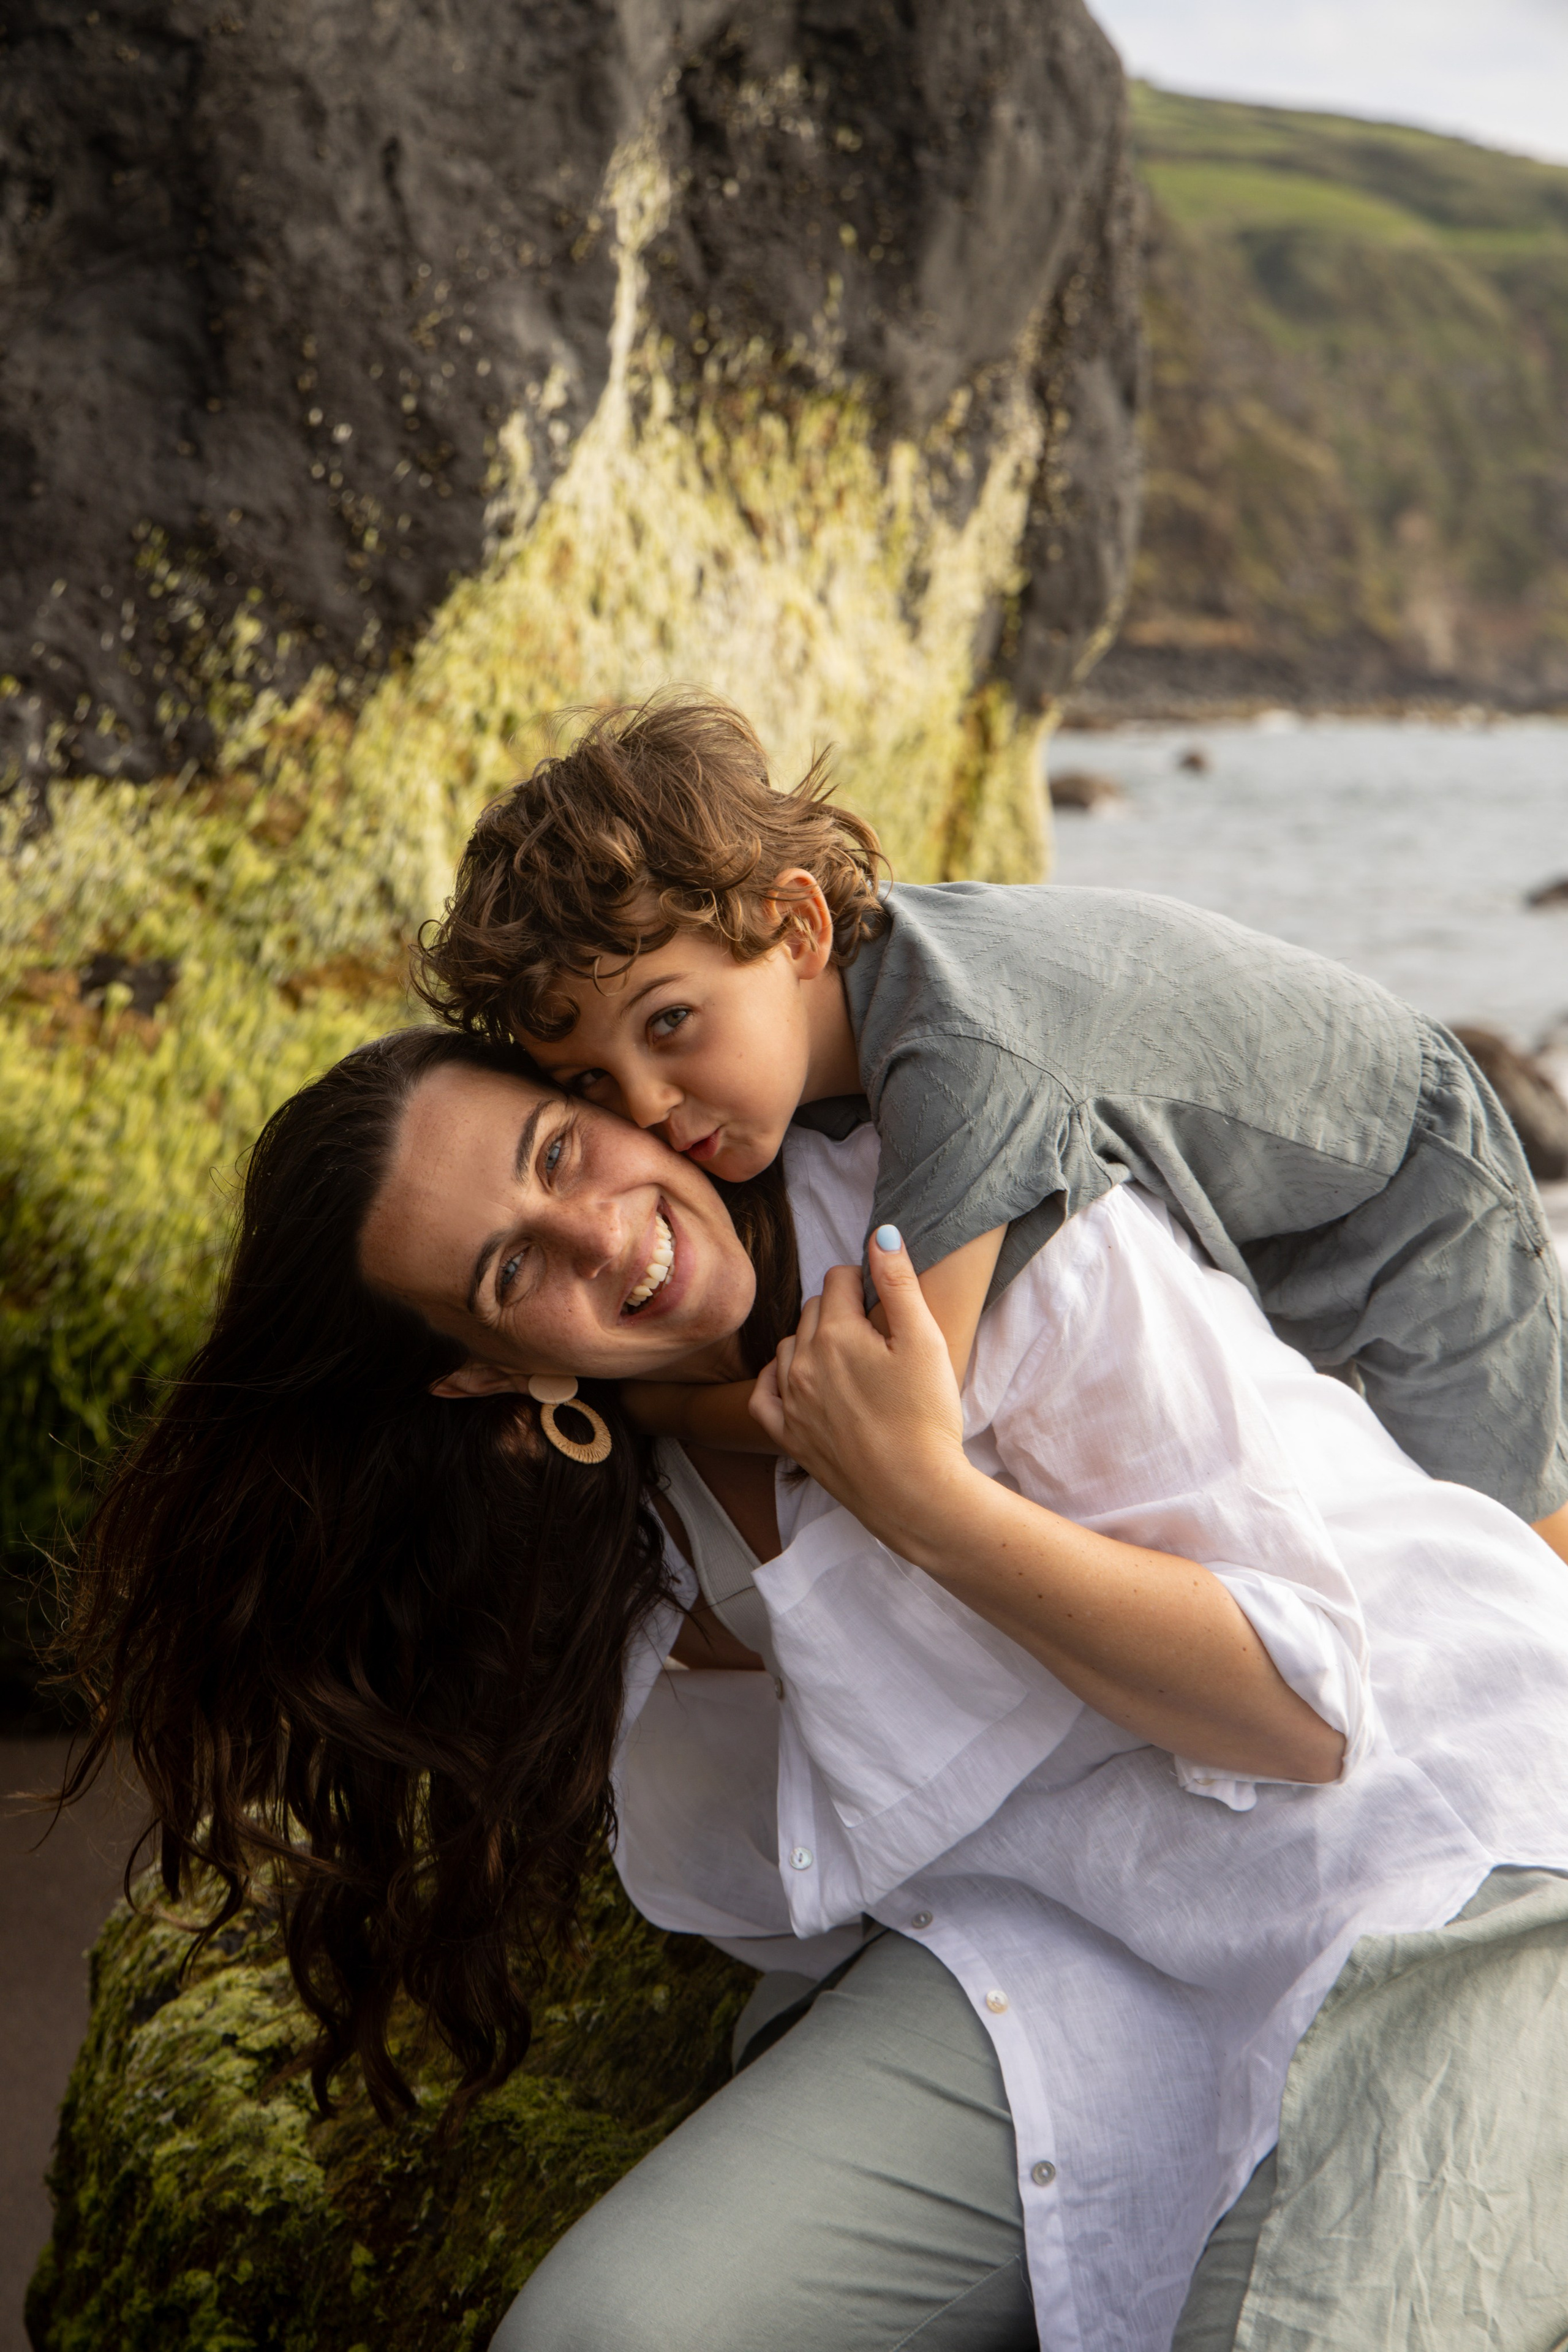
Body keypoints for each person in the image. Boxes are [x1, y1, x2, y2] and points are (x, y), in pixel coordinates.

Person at [66, 1025, 1568, 2351]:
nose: (605, 1236)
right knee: (604, 2335)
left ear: (616, 1099)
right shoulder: (613, 1504)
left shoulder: (965, 1227)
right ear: (472, 1372)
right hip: (1070, 1951)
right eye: (513, 1265)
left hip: (1440, 1853)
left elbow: (1304, 1717)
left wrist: (928, 1499)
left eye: (559, 1150)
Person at [412, 694, 1568, 1564]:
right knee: (1377, 1527)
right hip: (1262, 1186)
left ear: (797, 926)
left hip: (1413, 1178)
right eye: (590, 1084)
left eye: (670, 1022)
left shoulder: (956, 1060)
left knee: (1518, 1556)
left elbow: (895, 1404)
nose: (649, 1107)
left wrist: (642, 1400)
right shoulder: (829, 1013)